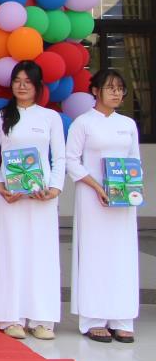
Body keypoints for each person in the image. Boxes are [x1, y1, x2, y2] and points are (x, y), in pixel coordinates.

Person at [0, 60, 65, 340]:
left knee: (42, 254)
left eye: (28, 81)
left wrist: (54, 188)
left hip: (43, 198)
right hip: (11, 198)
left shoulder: (50, 118)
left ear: (38, 86)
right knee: (11, 251)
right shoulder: (0, 117)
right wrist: (0, 186)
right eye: (17, 80)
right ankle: (11, 317)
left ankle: (42, 319)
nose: (21, 86)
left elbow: (59, 157)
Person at [66, 69, 140, 344]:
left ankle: (122, 318)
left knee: (122, 255)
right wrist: (97, 187)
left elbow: (135, 160)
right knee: (94, 254)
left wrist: (131, 189)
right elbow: (71, 160)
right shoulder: (83, 123)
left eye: (120, 89)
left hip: (122, 201)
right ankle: (94, 319)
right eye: (110, 88)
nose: (116, 93)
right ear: (95, 91)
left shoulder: (128, 124)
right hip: (92, 198)